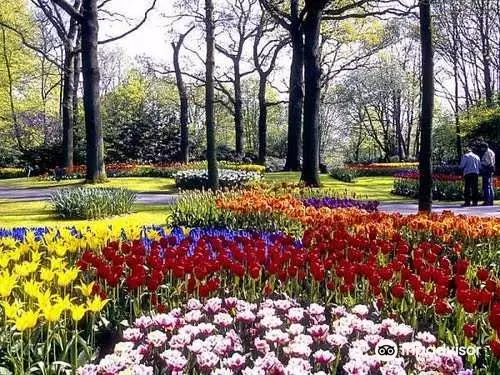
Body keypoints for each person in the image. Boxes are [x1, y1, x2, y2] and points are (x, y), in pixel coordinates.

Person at [479, 141, 496, 206]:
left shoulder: (487, 152)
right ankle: (491, 201)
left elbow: (488, 162)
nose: (481, 149)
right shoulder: (491, 152)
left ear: (484, 147)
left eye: (482, 147)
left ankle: (487, 201)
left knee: (486, 186)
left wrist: (482, 165)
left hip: (487, 169)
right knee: (490, 185)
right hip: (490, 169)